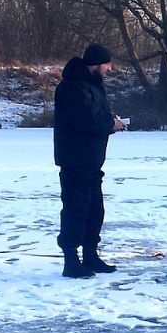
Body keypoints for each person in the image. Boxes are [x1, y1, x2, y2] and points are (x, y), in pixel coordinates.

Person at [53, 43, 126, 279]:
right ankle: (71, 261)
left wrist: (111, 121)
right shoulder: (73, 87)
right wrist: (110, 124)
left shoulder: (92, 85)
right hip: (75, 160)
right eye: (106, 64)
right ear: (95, 64)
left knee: (95, 210)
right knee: (76, 209)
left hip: (92, 161)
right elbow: (86, 120)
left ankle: (90, 256)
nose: (110, 69)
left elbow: (96, 116)